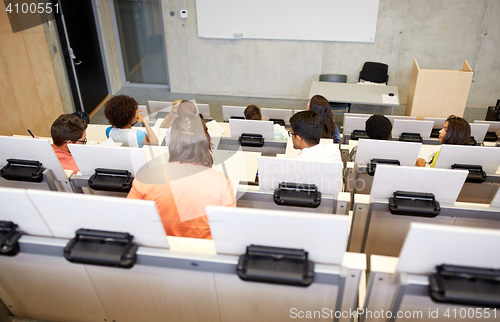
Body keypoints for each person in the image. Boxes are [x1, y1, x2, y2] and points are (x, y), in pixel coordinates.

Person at [127, 113, 235, 239]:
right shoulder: (222, 182)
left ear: (171, 142)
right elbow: (227, 230)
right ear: (205, 143)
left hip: (156, 252)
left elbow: (130, 220)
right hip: (203, 253)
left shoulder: (144, 178)